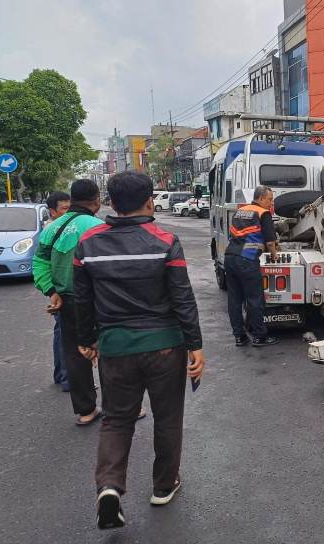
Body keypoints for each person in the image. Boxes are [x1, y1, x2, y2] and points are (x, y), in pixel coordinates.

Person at [73, 171, 204, 530]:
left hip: (115, 349)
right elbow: (182, 298)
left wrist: (85, 339)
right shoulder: (164, 240)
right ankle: (164, 485)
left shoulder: (89, 243)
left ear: (111, 202)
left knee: (116, 420)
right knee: (167, 418)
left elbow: (82, 299)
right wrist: (195, 345)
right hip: (165, 347)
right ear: (149, 201)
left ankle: (110, 488)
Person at [33, 180, 103, 424]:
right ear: (96, 200)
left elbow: (39, 262)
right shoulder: (99, 227)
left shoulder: (52, 228)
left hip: (66, 300)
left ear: (72, 200)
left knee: (74, 354)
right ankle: (123, 408)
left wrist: (51, 290)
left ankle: (86, 411)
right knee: (108, 350)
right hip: (100, 300)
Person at [224, 185, 279, 347]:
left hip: (230, 258)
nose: (271, 203)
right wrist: (274, 254)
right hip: (247, 260)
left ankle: (239, 337)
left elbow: (233, 233)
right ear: (261, 198)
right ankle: (259, 336)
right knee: (255, 299)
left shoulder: (241, 211)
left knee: (234, 299)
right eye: (269, 199)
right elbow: (270, 241)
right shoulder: (263, 213)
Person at [44, 191, 71, 392]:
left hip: (60, 291)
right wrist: (52, 291)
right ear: (52, 212)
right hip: (61, 292)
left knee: (60, 331)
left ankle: (61, 374)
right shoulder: (52, 231)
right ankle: (67, 377)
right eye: (64, 209)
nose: (69, 213)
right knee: (65, 333)